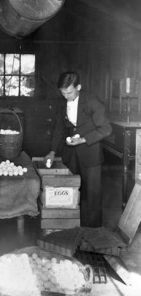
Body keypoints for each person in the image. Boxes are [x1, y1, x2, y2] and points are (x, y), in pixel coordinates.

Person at [44, 71, 112, 228]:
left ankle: (93, 234)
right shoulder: (62, 103)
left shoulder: (91, 101)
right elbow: (59, 129)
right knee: (74, 192)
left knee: (92, 197)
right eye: (63, 92)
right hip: (72, 156)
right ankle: (76, 229)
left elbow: (106, 129)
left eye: (70, 92)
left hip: (91, 154)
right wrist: (52, 151)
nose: (66, 96)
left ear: (79, 87)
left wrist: (83, 139)